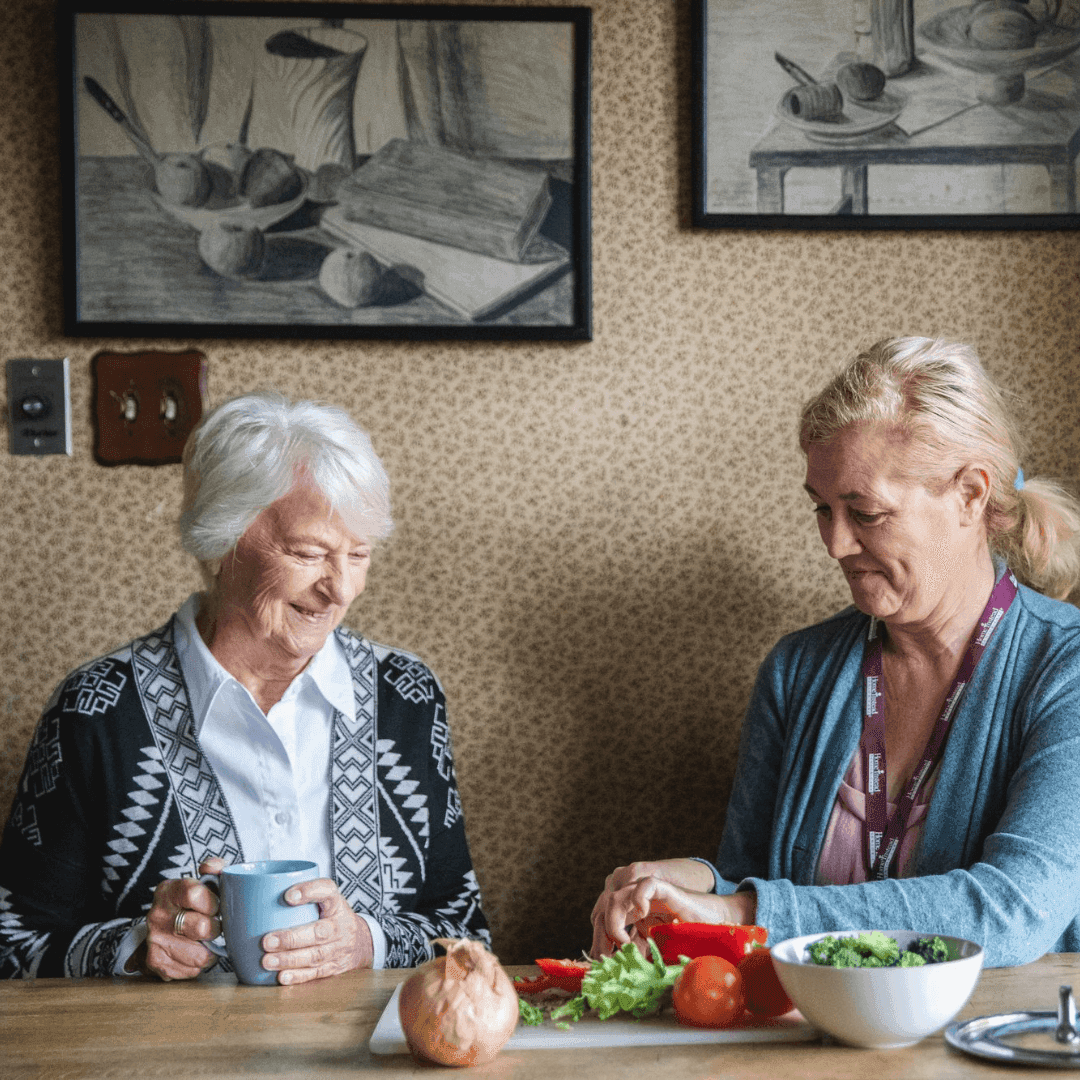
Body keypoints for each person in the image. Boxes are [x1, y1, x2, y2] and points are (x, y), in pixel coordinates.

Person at [591, 337, 1080, 969]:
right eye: (823, 509)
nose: (836, 544)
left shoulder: (1063, 667)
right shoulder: (798, 670)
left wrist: (743, 912)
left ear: (971, 495)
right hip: (810, 1046)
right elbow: (751, 874)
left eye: (867, 512)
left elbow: (1015, 909)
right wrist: (682, 883)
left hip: (993, 1050)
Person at [0, 392, 489, 981]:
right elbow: (11, 946)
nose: (341, 590)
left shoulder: (406, 695)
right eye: (310, 553)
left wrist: (365, 942)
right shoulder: (95, 711)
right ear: (222, 540)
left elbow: (466, 935)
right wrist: (128, 946)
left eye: (358, 555)